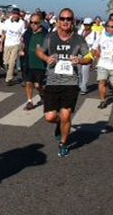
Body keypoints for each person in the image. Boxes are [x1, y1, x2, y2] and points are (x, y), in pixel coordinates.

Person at [36, 8, 92, 158]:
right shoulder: (51, 37)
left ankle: (64, 143)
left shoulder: (79, 39)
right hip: (52, 81)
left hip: (70, 82)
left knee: (66, 115)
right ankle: (59, 126)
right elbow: (39, 51)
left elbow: (89, 57)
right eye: (63, 19)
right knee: (50, 117)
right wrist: (47, 59)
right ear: (58, 21)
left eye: (69, 19)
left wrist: (80, 60)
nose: (66, 21)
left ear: (73, 21)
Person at [21, 13, 47, 110]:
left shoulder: (45, 34)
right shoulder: (28, 33)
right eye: (31, 22)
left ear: (40, 23)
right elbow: (23, 42)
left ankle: (43, 95)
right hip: (28, 62)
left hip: (40, 64)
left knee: (38, 85)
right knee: (28, 82)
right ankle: (29, 101)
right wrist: (22, 49)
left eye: (35, 23)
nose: (33, 25)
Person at [0, 8, 26, 85]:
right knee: (6, 63)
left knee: (12, 62)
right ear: (12, 14)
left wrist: (22, 47)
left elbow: (22, 35)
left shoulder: (21, 23)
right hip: (7, 44)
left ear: (19, 15)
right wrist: (1, 44)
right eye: (14, 14)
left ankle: (9, 79)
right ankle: (10, 72)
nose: (15, 15)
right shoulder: (7, 22)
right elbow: (4, 33)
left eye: (17, 14)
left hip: (16, 44)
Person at [78, 17, 98, 95]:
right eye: (85, 24)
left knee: (85, 71)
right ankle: (80, 85)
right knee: (79, 71)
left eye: (88, 25)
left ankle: (83, 88)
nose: (86, 26)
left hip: (88, 54)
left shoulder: (95, 34)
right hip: (79, 54)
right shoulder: (80, 32)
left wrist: (93, 58)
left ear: (91, 25)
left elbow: (95, 47)